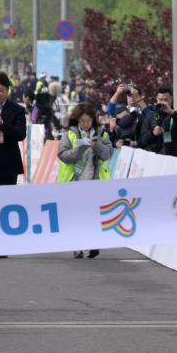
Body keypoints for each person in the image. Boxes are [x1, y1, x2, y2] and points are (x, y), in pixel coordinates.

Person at [57, 102, 113, 259]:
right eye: (82, 121)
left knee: (93, 215)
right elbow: (62, 155)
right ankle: (77, 246)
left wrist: (97, 146)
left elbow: (108, 153)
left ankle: (93, 244)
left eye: (88, 121)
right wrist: (78, 150)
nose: (85, 124)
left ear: (93, 120)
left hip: (95, 181)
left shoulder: (102, 134)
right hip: (74, 182)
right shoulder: (69, 134)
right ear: (77, 120)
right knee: (76, 215)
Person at [139, 86, 177, 157]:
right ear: (157, 99)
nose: (163, 102)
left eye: (166, 100)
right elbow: (141, 141)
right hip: (153, 158)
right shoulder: (151, 117)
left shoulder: (176, 116)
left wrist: (171, 112)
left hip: (173, 158)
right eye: (160, 100)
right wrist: (153, 133)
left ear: (171, 99)